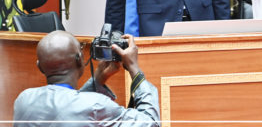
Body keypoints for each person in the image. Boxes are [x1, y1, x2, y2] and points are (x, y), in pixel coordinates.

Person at [13, 30, 159, 126]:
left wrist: (98, 79)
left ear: (39, 66)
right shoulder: (96, 105)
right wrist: (134, 68)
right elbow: (150, 123)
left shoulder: (23, 100)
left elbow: (69, 107)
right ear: (80, 60)